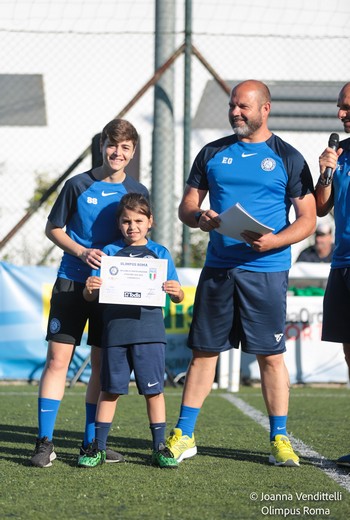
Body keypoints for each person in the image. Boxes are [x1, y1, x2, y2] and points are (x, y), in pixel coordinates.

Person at [166, 79, 316, 467]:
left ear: (265, 109)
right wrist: (199, 217)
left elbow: (308, 220)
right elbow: (186, 206)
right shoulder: (212, 152)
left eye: (243, 107)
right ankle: (185, 434)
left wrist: (276, 241)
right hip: (218, 268)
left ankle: (279, 439)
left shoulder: (289, 157)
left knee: (270, 356)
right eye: (233, 105)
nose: (235, 112)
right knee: (203, 353)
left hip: (265, 271)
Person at [30, 119, 149, 468]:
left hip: (113, 290)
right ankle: (44, 442)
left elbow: (141, 235)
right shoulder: (77, 185)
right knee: (58, 361)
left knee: (100, 365)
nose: (118, 152)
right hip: (71, 281)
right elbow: (53, 229)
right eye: (113, 145)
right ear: (102, 146)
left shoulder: (137, 189)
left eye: (125, 147)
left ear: (133, 152)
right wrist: (82, 253)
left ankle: (90, 443)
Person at [77, 193, 184, 469]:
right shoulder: (109, 253)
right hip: (115, 333)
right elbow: (91, 297)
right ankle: (98, 447)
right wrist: (90, 289)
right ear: (118, 223)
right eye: (126, 221)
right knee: (110, 390)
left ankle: (159, 447)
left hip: (149, 333)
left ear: (150, 222)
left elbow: (178, 295)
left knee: (154, 391)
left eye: (138, 220)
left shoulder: (160, 254)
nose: (132, 226)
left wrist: (176, 292)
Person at [316, 81, 350, 468]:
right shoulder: (340, 152)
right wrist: (325, 171)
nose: (342, 114)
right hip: (341, 263)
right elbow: (322, 208)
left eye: (348, 107)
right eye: (340, 107)